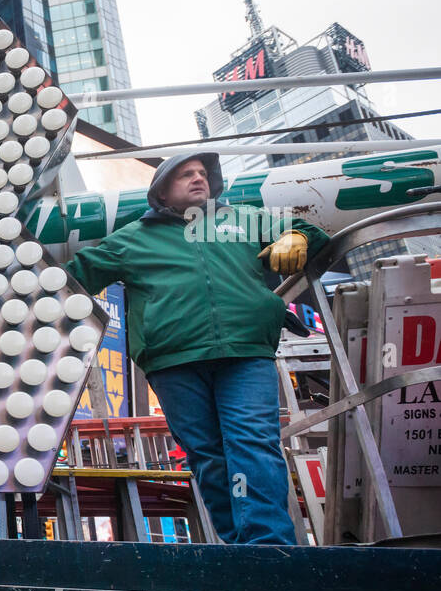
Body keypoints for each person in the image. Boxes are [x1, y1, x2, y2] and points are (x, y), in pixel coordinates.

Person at [64, 153, 326, 545]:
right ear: (162, 191)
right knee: (208, 457)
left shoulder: (242, 220)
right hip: (173, 362)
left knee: (252, 442)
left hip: (245, 350)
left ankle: (268, 549)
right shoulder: (133, 237)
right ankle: (240, 547)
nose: (198, 178)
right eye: (186, 174)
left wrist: (299, 237)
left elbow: (310, 232)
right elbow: (74, 276)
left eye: (203, 173)